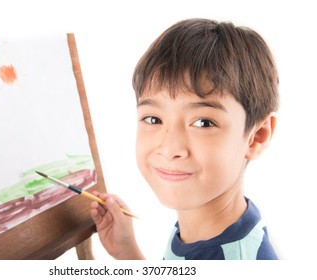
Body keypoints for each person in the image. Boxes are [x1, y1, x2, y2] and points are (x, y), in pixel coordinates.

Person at [90, 18, 279, 260]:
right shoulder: (208, 228)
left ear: (256, 137)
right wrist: (128, 253)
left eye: (203, 122)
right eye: (153, 119)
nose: (170, 148)